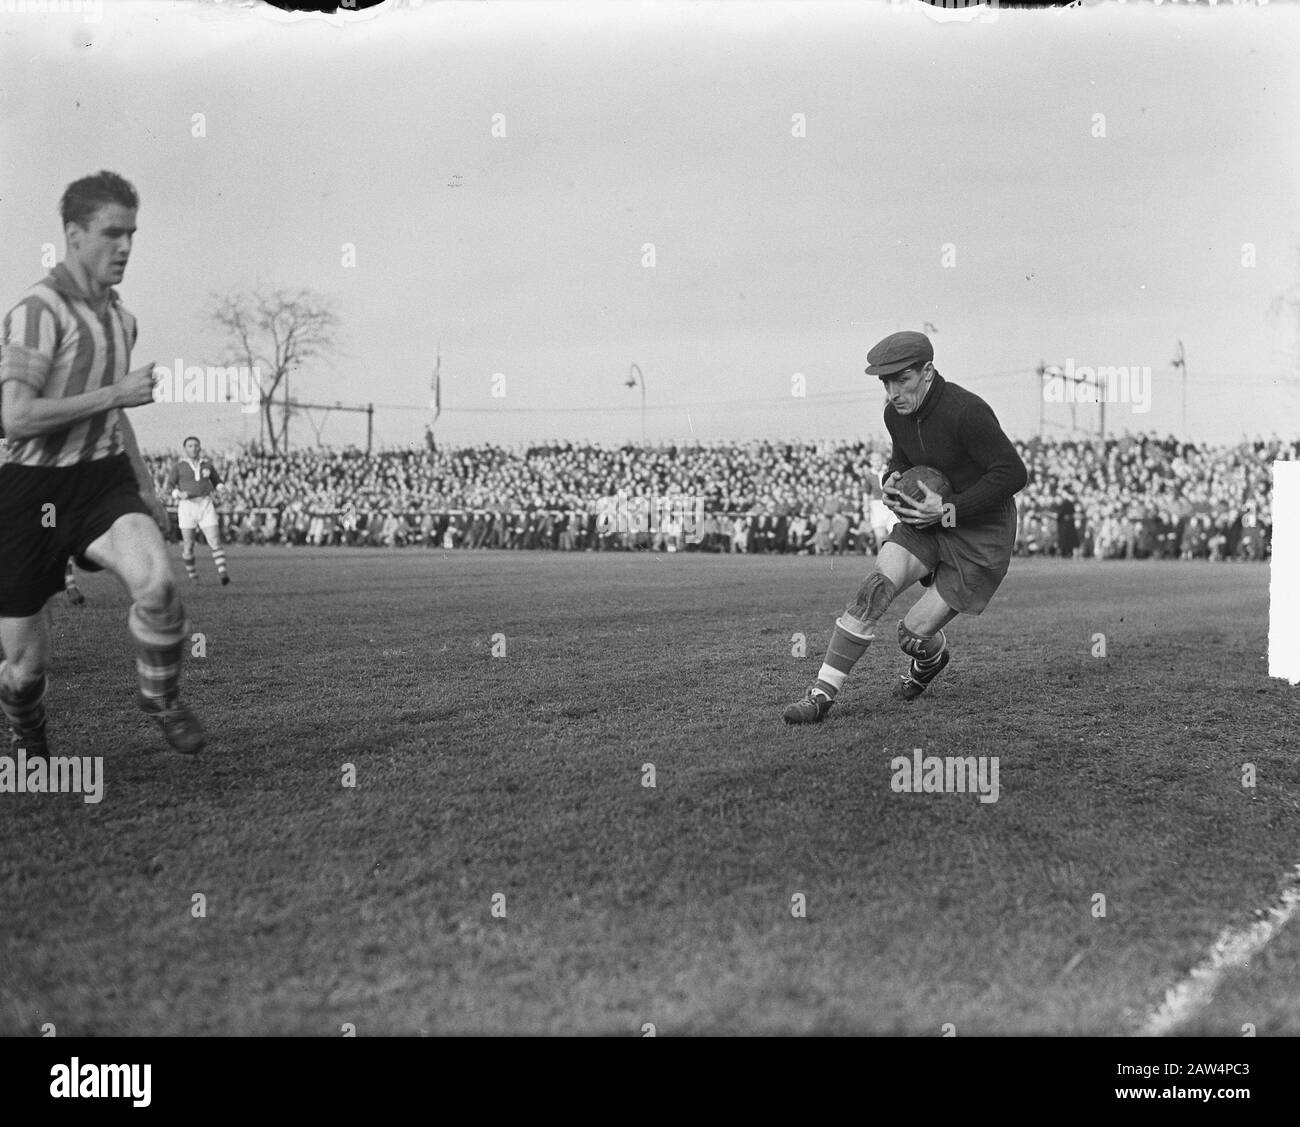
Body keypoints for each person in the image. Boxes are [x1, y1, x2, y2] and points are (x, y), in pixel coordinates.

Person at [0, 170, 205, 755]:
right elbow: (16, 417)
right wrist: (116, 393)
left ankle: (160, 696)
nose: (125, 247)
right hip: (29, 489)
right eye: (112, 233)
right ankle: (28, 722)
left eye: (132, 234)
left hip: (100, 480)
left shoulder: (122, 320)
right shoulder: (36, 313)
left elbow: (116, 417)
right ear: (73, 234)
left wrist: (144, 488)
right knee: (24, 669)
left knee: (160, 586)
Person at [784, 330, 1027, 723]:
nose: (893, 392)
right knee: (874, 589)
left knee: (912, 635)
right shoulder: (893, 413)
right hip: (926, 521)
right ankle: (820, 695)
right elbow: (902, 458)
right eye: (885, 382)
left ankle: (928, 663)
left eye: (902, 380)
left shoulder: (966, 411)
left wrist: (948, 508)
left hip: (981, 531)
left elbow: (1013, 473)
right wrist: (892, 478)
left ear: (928, 372)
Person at [164, 435, 231, 584]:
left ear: (200, 447)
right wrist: (178, 493)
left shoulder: (207, 465)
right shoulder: (179, 466)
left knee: (214, 541)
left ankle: (223, 574)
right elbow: (168, 487)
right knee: (189, 545)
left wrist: (222, 488)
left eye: (196, 445)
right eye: (190, 446)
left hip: (205, 504)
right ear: (185, 449)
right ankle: (193, 576)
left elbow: (217, 482)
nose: (193, 448)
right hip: (187, 506)